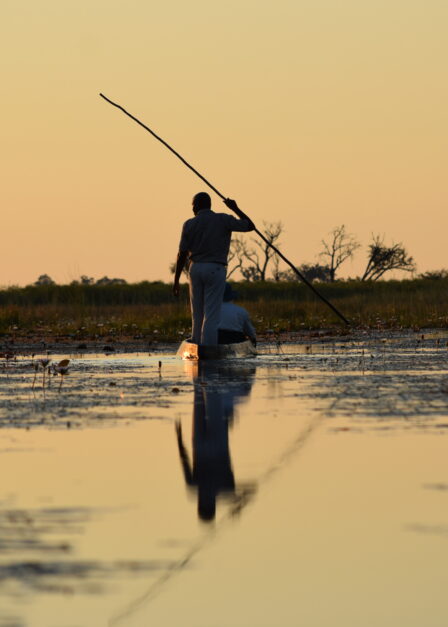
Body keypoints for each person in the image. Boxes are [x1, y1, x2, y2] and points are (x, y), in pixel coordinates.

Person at [173, 192, 254, 346]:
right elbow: (250, 226)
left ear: (196, 206)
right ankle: (208, 349)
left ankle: (197, 344)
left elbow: (182, 254)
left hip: (195, 269)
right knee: (211, 315)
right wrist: (235, 208)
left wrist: (176, 280)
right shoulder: (223, 219)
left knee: (197, 314)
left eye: (193, 206)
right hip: (215, 269)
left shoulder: (189, 224)